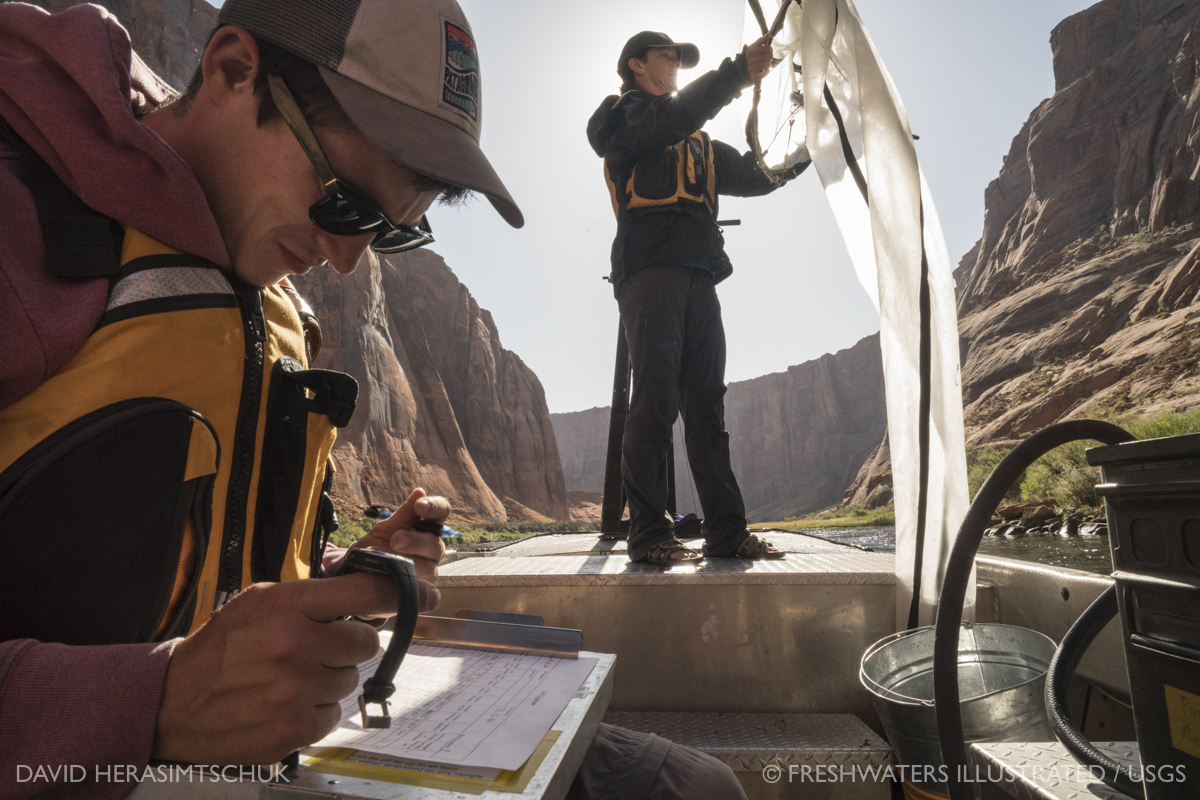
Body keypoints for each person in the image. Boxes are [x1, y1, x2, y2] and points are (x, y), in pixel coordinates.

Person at [0, 4, 747, 798]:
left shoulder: (266, 289)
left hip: (278, 757)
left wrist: (343, 572)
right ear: (231, 70)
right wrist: (151, 702)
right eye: (345, 199)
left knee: (694, 788)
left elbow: (212, 572)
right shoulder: (22, 222)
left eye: (389, 231)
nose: (348, 261)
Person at [586, 31, 810, 566]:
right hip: (650, 273)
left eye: (680, 60)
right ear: (637, 66)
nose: (677, 65)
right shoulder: (622, 118)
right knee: (656, 401)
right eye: (669, 56)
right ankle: (648, 536)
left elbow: (763, 176)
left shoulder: (701, 142)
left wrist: (815, 144)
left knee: (707, 408)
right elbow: (668, 120)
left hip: (700, 277)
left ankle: (728, 533)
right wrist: (737, 72)